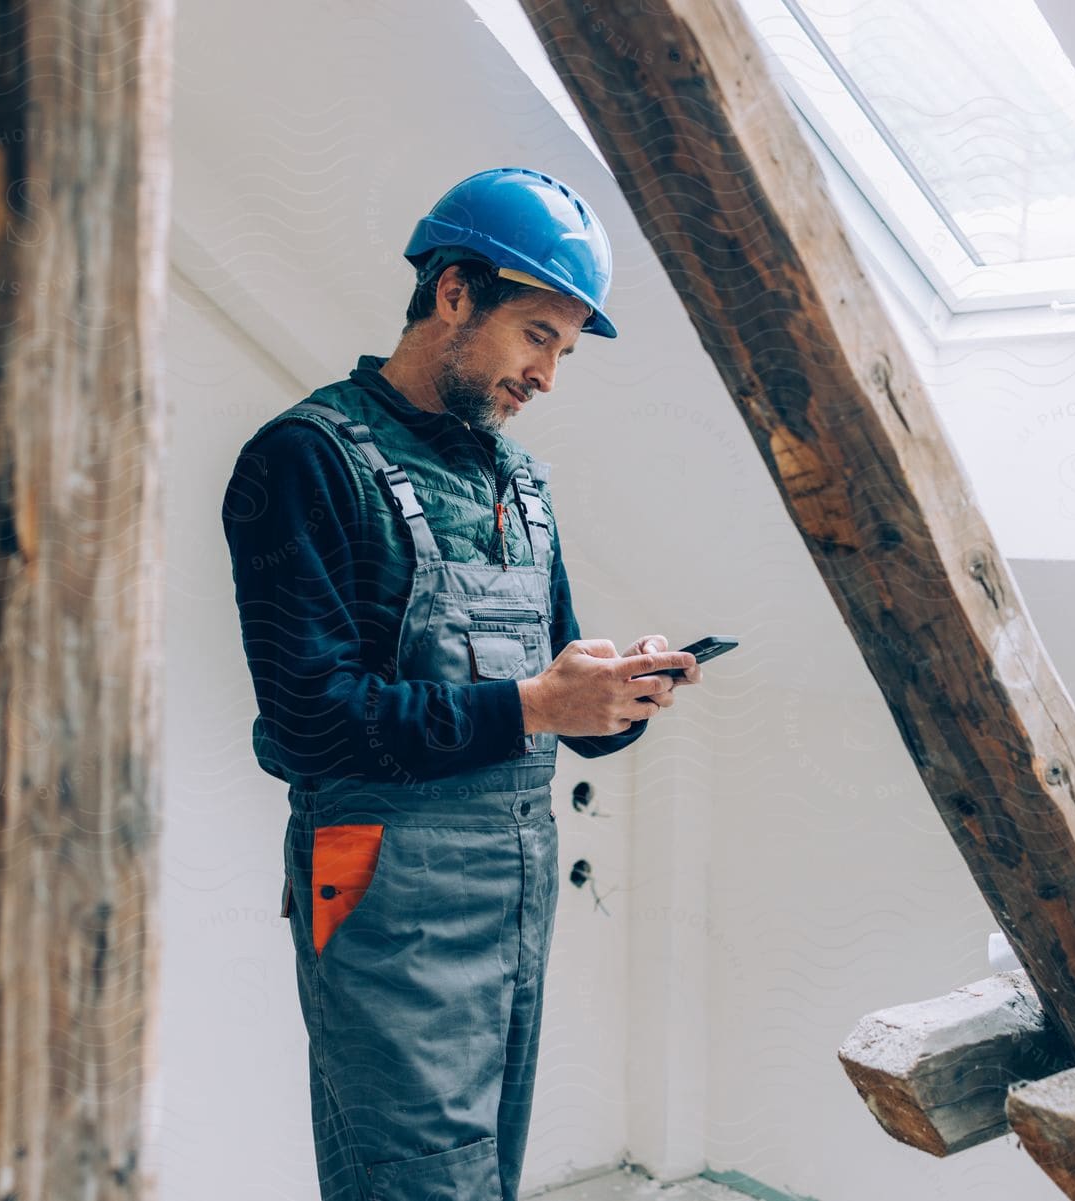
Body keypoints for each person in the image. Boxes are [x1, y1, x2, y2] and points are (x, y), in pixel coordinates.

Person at [221, 166, 704, 1200]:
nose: (549, 376)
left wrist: (618, 695)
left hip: (514, 882)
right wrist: (535, 704)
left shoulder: (516, 482)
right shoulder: (306, 460)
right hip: (376, 877)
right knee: (413, 1183)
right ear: (453, 294)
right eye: (537, 334)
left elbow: (563, 710)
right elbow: (312, 720)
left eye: (566, 350)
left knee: (482, 1176)